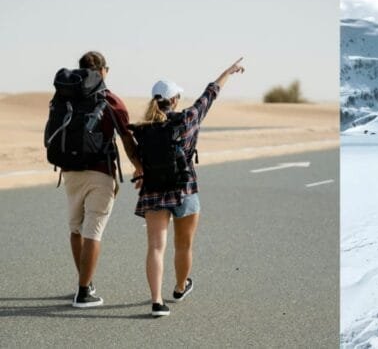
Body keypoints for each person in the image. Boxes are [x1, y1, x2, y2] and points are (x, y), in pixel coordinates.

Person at [132, 58, 244, 317]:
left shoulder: (143, 129)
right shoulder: (187, 119)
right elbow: (210, 94)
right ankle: (181, 287)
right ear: (174, 100)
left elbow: (136, 153)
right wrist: (228, 71)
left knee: (156, 247)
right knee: (184, 245)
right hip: (185, 188)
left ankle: (157, 302)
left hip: (153, 191)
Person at [61, 51, 143, 308]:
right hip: (100, 172)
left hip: (70, 172)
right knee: (93, 231)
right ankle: (84, 292)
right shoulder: (111, 101)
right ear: (103, 71)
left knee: (76, 229)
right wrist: (139, 167)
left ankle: (84, 282)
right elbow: (127, 140)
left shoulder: (66, 96)